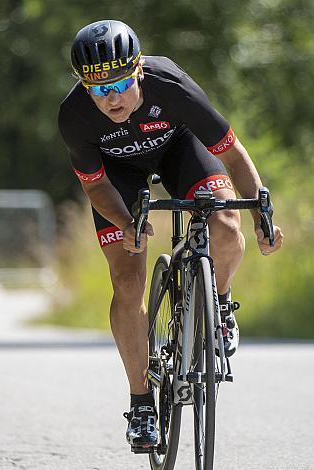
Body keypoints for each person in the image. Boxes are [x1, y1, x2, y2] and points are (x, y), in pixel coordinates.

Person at [58, 19, 283, 452]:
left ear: (138, 70)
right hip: (117, 176)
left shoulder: (171, 85)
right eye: (99, 89)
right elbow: (94, 185)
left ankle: (217, 300)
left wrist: (261, 214)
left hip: (181, 148)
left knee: (225, 223)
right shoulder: (75, 116)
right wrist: (127, 224)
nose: (112, 98)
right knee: (126, 279)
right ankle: (142, 403)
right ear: (84, 86)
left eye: (120, 84)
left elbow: (232, 154)